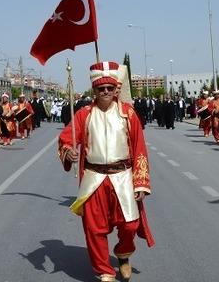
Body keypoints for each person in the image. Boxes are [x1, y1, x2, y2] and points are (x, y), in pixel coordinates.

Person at [58, 61, 154, 282]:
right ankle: (105, 271)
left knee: (130, 224)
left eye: (110, 88)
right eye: (101, 89)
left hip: (123, 177)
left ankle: (123, 253)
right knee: (94, 228)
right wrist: (68, 151)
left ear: (115, 89)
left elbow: (139, 148)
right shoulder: (84, 114)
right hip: (94, 178)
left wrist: (140, 182)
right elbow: (66, 138)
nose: (106, 92)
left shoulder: (128, 114)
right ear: (95, 90)